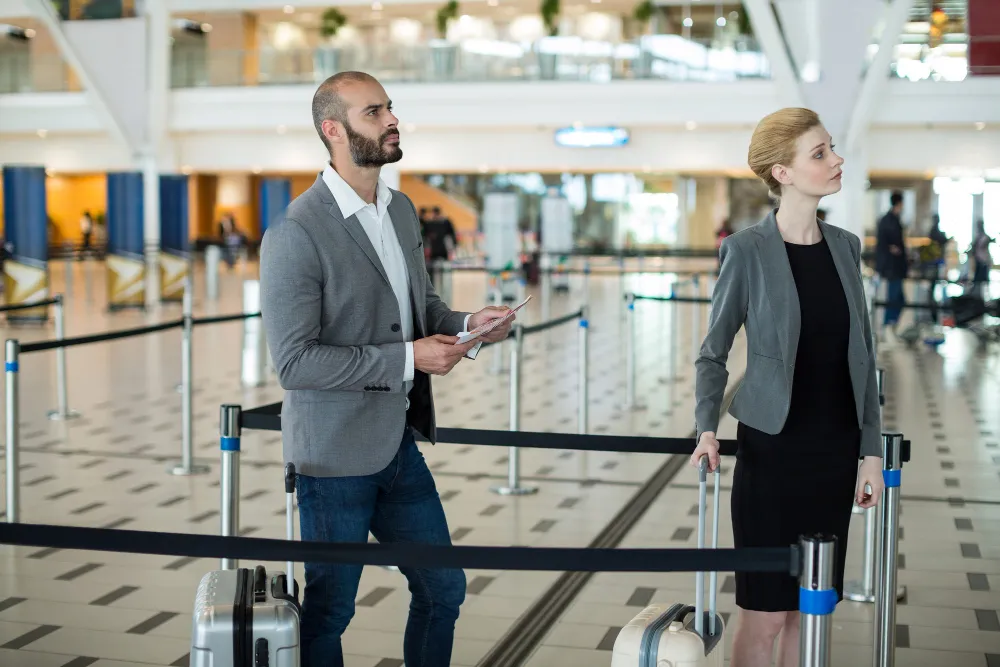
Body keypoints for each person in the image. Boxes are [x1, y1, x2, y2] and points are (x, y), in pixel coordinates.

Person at [259, 71, 515, 667]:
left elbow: (420, 309)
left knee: (443, 587)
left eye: (389, 108)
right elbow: (295, 363)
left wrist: (472, 323)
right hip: (332, 458)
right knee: (329, 614)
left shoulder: (398, 211)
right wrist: (408, 359)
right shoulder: (296, 233)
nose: (391, 120)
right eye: (373, 112)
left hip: (396, 444)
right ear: (334, 130)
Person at [692, 107, 883, 667]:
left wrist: (870, 452)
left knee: (811, 608)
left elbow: (863, 357)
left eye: (831, 148)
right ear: (783, 173)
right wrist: (706, 428)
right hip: (772, 452)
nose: (835, 159)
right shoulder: (747, 250)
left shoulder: (845, 247)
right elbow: (713, 351)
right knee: (767, 613)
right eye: (820, 152)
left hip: (834, 451)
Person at [876, 191, 908, 337]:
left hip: (893, 266)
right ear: (900, 203)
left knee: (899, 299)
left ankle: (891, 326)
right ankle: (888, 326)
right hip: (892, 266)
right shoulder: (890, 220)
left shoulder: (889, 219)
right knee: (894, 298)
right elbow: (890, 244)